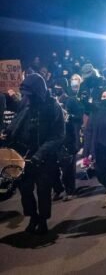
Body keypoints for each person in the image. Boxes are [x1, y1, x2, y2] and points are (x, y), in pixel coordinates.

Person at [3, 73, 65, 234]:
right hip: (23, 156)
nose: (27, 97)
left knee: (44, 191)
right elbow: (17, 122)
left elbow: (58, 136)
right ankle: (33, 217)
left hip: (44, 158)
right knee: (25, 191)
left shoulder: (53, 107)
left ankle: (43, 219)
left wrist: (40, 154)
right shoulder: (26, 102)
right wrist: (7, 134)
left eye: (30, 94)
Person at [53, 78, 83, 201]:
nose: (56, 88)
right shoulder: (51, 101)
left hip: (68, 137)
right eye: (55, 85)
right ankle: (58, 189)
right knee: (53, 167)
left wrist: (69, 116)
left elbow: (79, 118)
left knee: (68, 168)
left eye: (59, 85)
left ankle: (70, 190)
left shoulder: (70, 100)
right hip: (54, 139)